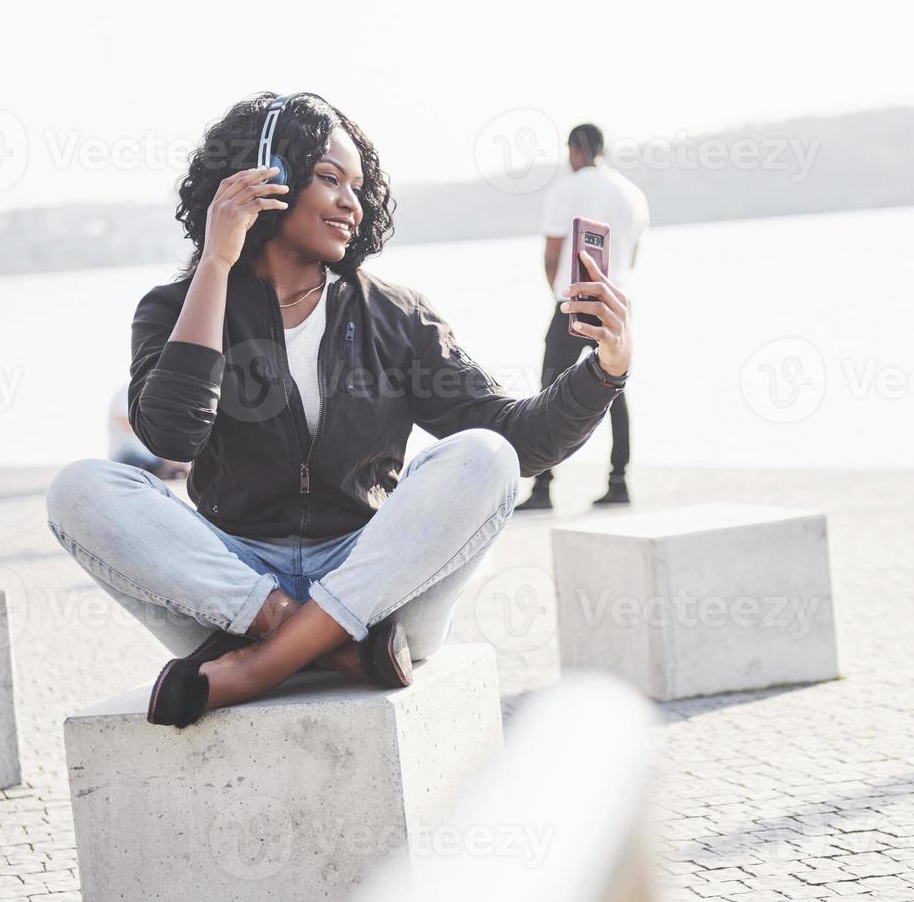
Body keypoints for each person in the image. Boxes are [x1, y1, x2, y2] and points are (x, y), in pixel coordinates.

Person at [43, 92, 634, 728]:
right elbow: (174, 437)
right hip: (237, 592)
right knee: (80, 488)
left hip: (379, 587)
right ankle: (318, 640)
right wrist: (216, 263)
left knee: (484, 457)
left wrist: (606, 369)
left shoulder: (394, 315)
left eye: (358, 185)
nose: (353, 202)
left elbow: (521, 439)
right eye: (329, 179)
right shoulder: (174, 307)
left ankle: (262, 665)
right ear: (263, 178)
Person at [516, 123, 648, 511]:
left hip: (573, 300)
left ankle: (542, 488)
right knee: (616, 389)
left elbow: (552, 254)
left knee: (548, 390)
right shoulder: (632, 194)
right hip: (616, 302)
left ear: (575, 150)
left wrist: (558, 295)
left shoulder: (565, 189)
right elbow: (633, 256)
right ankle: (619, 481)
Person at [107, 385, 188, 480]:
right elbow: (125, 422)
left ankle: (166, 470)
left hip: (149, 456)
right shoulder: (129, 391)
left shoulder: (158, 393)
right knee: (133, 449)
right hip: (129, 455)